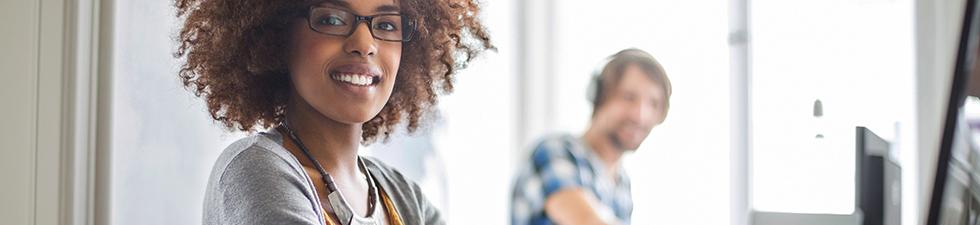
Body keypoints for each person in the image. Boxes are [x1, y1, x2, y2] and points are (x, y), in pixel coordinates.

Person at [173, 0, 493, 224]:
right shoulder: (254, 170)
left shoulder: (404, 198)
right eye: (332, 18)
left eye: (385, 24)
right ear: (279, 34)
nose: (364, 43)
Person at [510, 48, 672, 225]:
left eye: (653, 104)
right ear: (599, 96)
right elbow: (587, 220)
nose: (640, 115)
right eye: (629, 97)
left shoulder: (622, 185)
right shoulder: (556, 152)